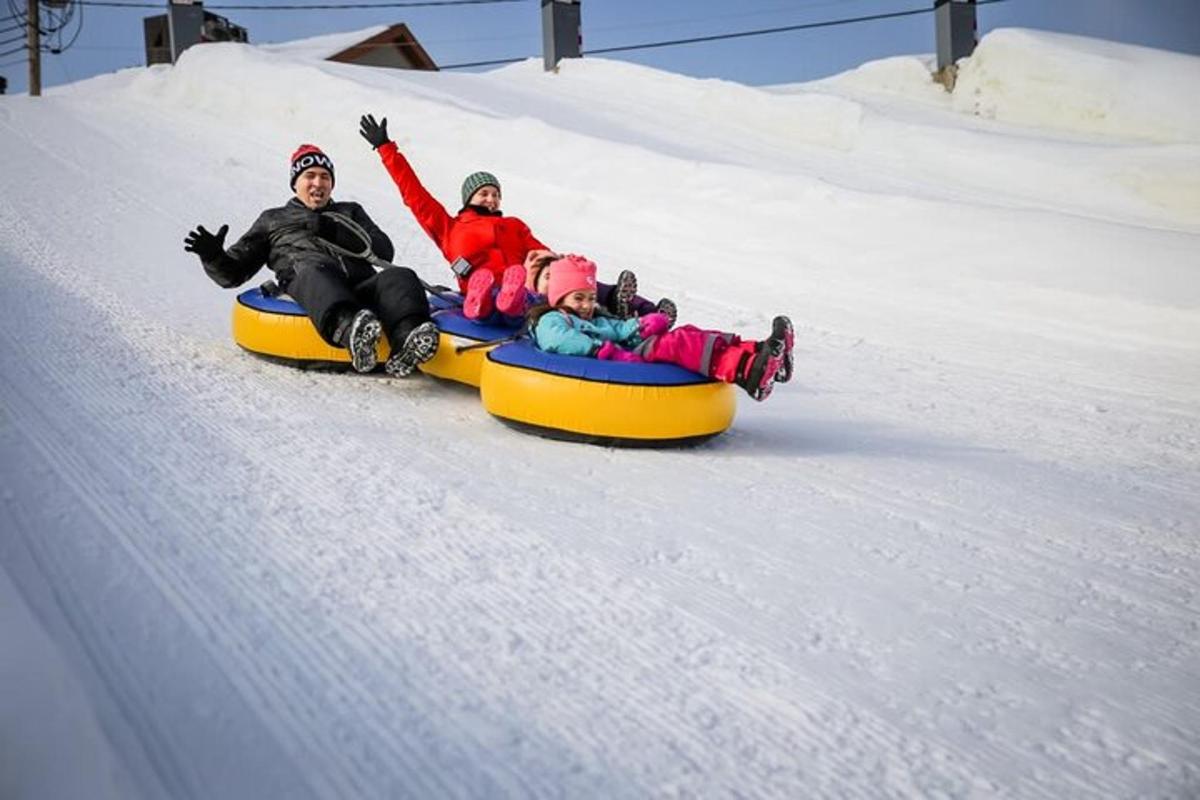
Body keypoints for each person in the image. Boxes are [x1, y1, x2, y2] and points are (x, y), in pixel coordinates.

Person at [358, 113, 674, 322]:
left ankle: (642, 310)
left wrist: (564, 266)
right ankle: (487, 300)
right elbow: (415, 195)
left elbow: (541, 253)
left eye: (495, 194)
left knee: (574, 279)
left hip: (525, 285)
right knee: (503, 293)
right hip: (483, 290)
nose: (491, 198)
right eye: (484, 193)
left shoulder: (514, 226)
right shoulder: (449, 227)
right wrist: (387, 149)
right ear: (468, 198)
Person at [184, 144, 439, 377]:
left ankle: (407, 342)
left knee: (402, 275)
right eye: (310, 176)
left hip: (361, 286)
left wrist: (333, 229)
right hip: (313, 283)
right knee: (315, 269)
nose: (318, 182)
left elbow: (384, 251)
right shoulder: (273, 219)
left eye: (325, 177)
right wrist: (213, 256)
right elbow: (233, 274)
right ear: (296, 182)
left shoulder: (349, 211)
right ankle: (352, 333)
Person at [528, 255, 794, 401]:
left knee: (690, 333)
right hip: (625, 358)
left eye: (590, 297)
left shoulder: (595, 319)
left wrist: (640, 326)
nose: (586, 304)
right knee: (678, 343)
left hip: (632, 348)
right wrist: (603, 350)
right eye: (579, 298)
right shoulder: (554, 318)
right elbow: (559, 340)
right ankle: (748, 371)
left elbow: (618, 330)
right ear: (559, 297)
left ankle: (762, 352)